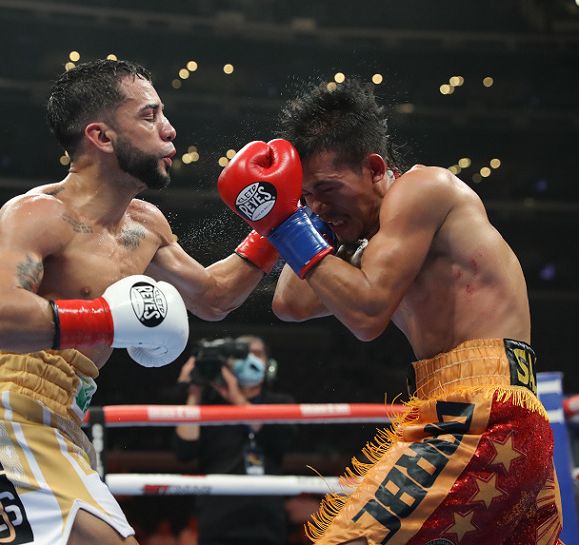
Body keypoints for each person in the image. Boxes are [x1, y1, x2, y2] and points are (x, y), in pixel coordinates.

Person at [0, 59, 281, 545]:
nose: (169, 129)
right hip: (3, 418)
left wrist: (277, 229)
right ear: (102, 136)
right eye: (149, 116)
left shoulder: (146, 226)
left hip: (55, 425)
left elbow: (214, 297)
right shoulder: (37, 214)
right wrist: (107, 320)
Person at [216, 78, 563, 544]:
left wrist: (286, 224)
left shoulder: (424, 188)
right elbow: (290, 303)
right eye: (307, 195)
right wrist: (302, 219)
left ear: (375, 167)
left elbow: (367, 313)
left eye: (327, 188)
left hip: (484, 412)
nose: (318, 205)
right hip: (479, 414)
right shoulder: (373, 243)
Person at [173, 335, 296, 545]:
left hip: (267, 526)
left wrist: (236, 398)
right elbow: (184, 451)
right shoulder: (210, 405)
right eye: (242, 353)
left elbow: (284, 438)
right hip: (217, 526)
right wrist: (194, 393)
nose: (249, 358)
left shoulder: (280, 402)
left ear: (269, 364)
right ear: (228, 363)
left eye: (257, 353)